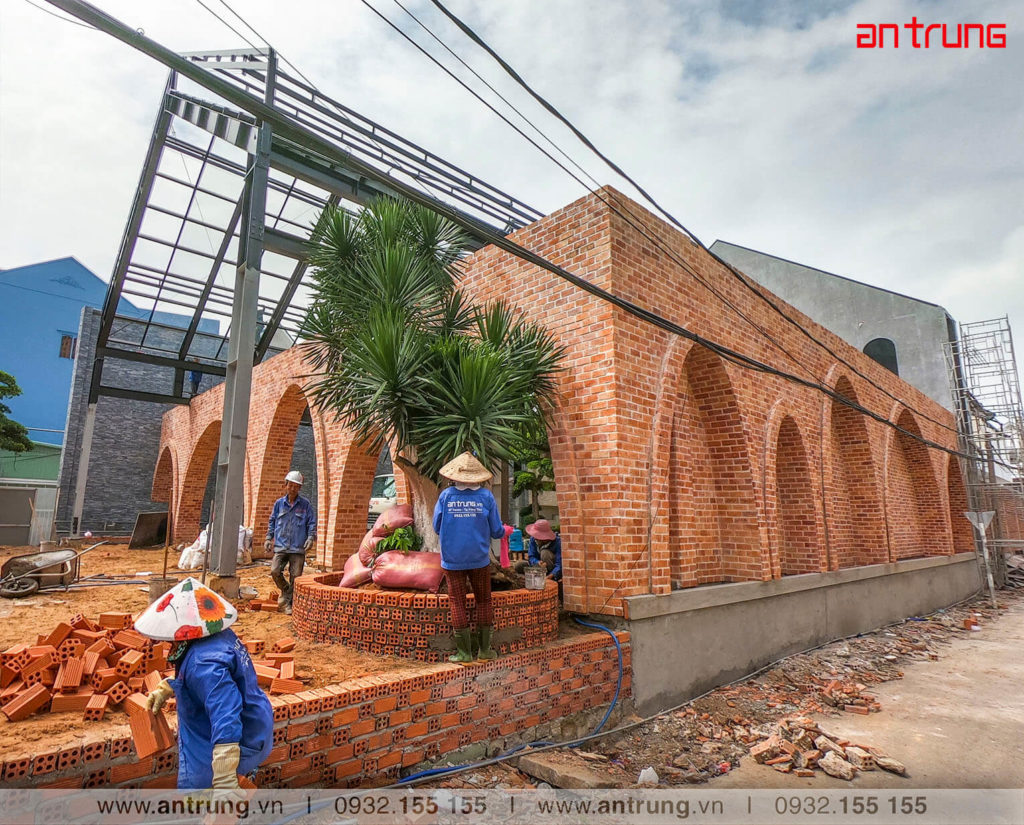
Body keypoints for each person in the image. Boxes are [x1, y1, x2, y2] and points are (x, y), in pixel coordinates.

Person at [137, 577, 273, 793]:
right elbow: (221, 677)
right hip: (254, 722)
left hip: (235, 739)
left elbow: (225, 714)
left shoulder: (203, 663)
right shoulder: (216, 635)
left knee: (205, 796)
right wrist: (172, 685)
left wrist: (225, 777)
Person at [432, 451, 505, 663]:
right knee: (484, 601)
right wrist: (505, 531)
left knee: (457, 602)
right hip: (479, 559)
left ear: (454, 476)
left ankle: (464, 653)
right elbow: (496, 530)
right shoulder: (486, 497)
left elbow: (436, 526)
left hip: (452, 559)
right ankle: (484, 651)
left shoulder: (446, 496)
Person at [264, 470, 316, 614]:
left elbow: (311, 523)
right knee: (275, 571)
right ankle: (287, 592)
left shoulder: (305, 505)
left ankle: (290, 604)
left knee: (296, 576)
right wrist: (268, 538)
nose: (293, 489)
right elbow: (272, 521)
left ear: (300, 488)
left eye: (296, 486)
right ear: (285, 485)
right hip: (281, 545)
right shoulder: (279, 504)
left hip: (297, 547)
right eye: (290, 485)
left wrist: (310, 538)